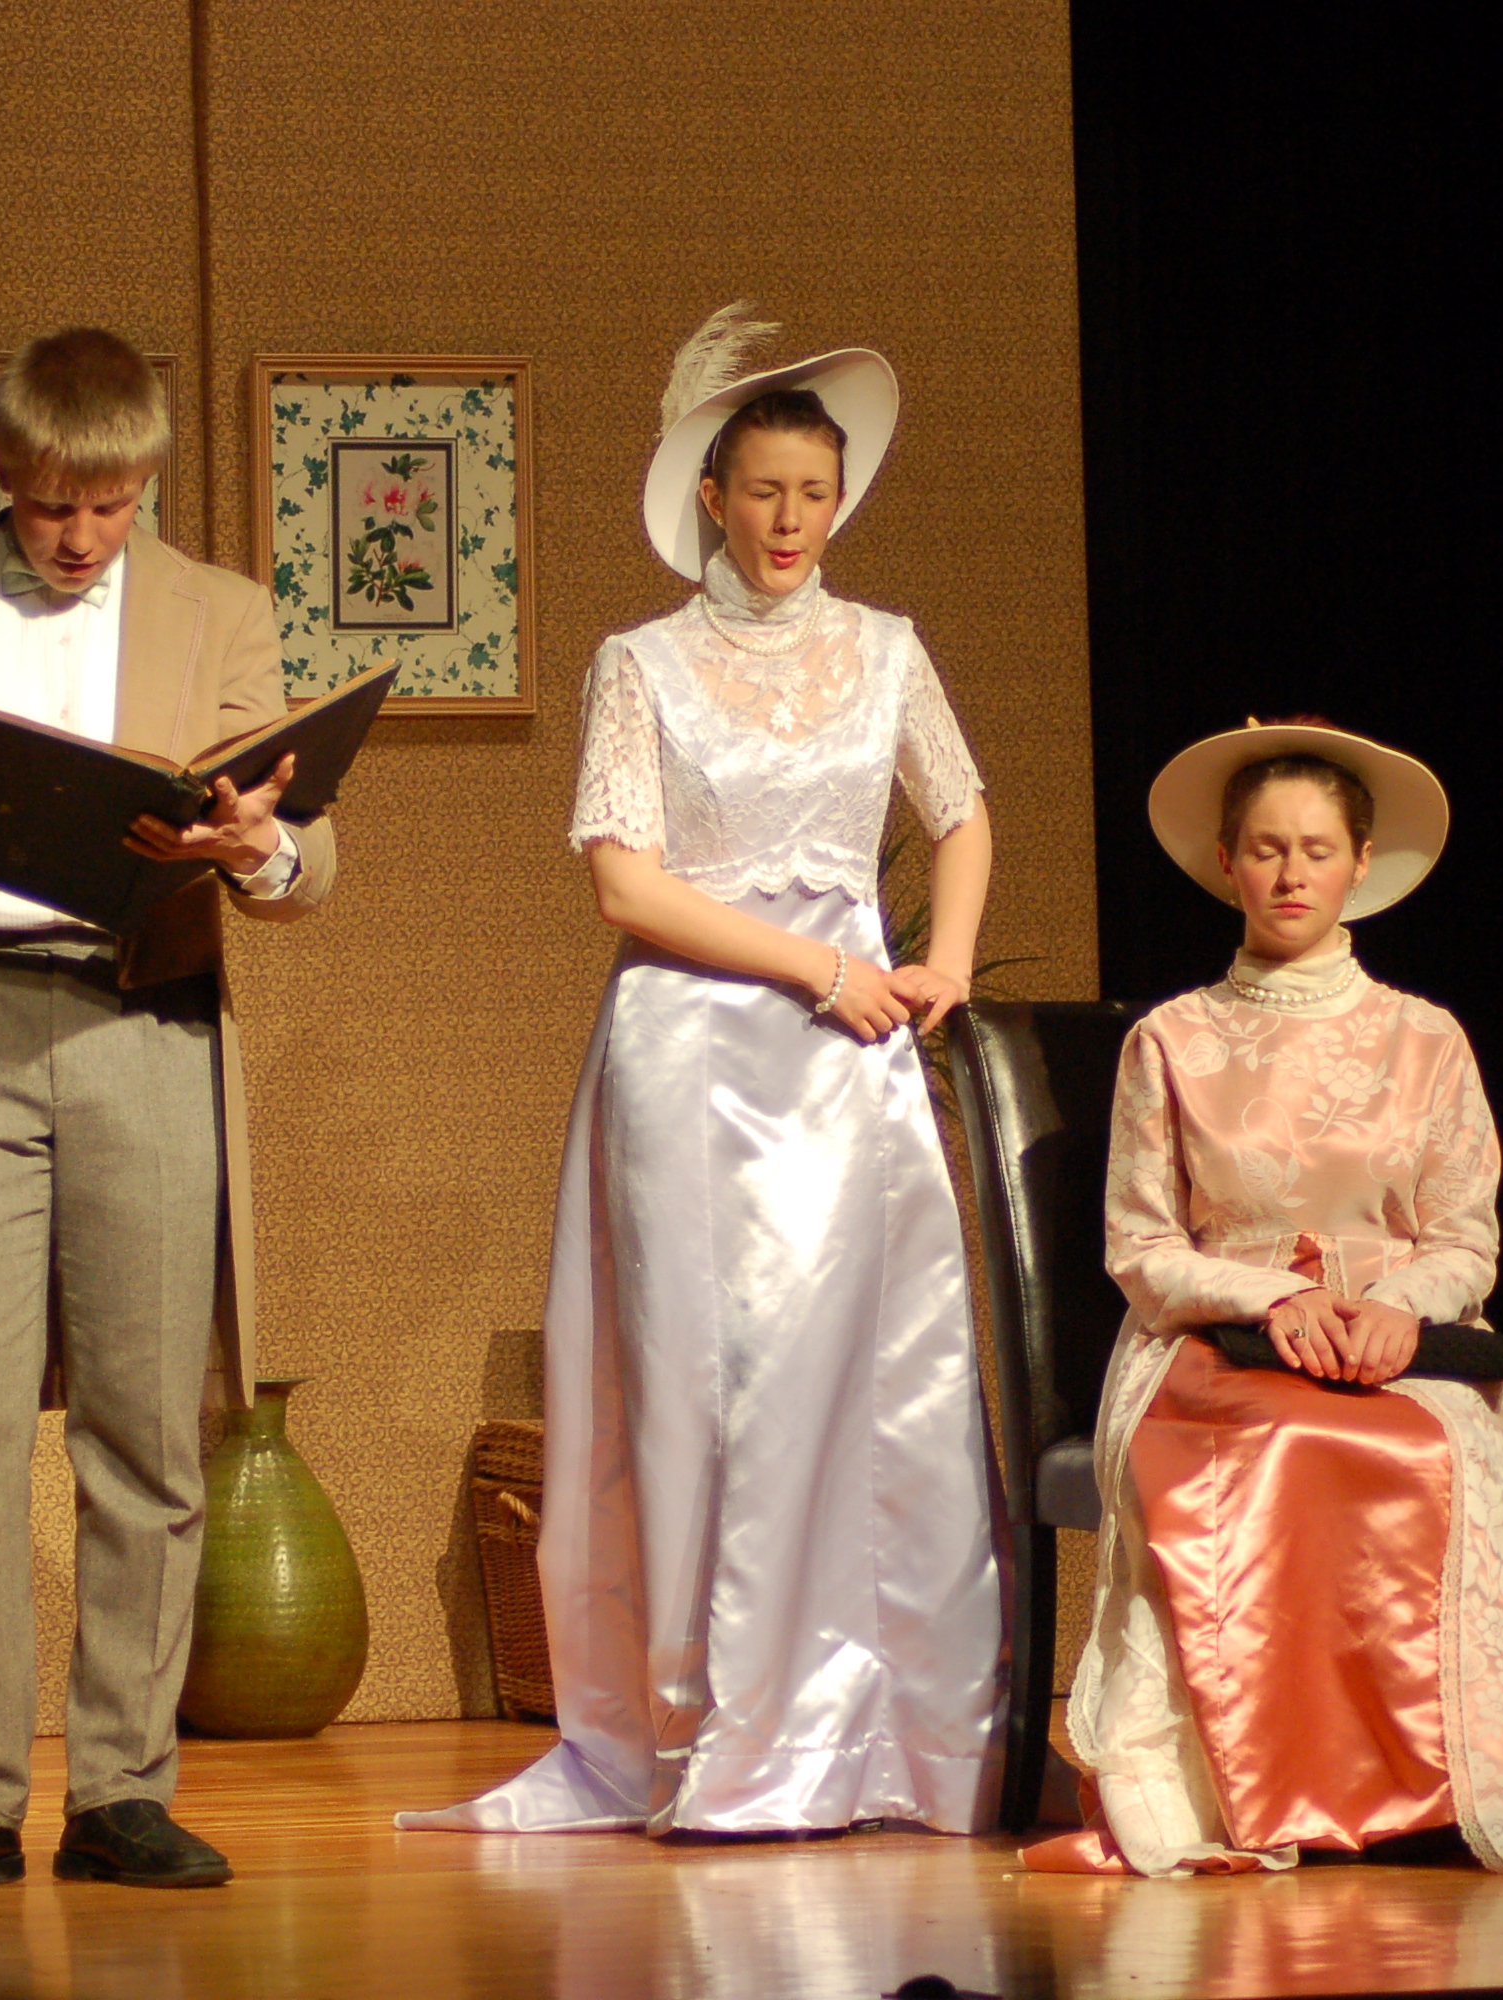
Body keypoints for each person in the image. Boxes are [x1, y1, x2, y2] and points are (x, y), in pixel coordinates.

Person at [403, 305, 1004, 1838]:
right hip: (695, 1047)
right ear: (713, 498)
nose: (792, 521)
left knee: (863, 1381)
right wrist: (819, 965)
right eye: (766, 492)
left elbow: (962, 813)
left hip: (852, 1057)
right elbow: (627, 884)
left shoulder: (887, 650)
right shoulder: (643, 663)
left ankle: (874, 1734)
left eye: (817, 494)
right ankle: (697, 1730)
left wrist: (942, 960)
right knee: (693, 1380)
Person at [0, 326, 336, 1894]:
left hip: (142, 1012)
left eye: (110, 505)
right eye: (48, 508)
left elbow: (307, 858)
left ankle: (122, 1791)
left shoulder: (223, 612)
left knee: (144, 1423)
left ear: (145, 480)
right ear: (2, 475)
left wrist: (257, 850)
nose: (80, 536)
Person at [1024, 720, 1503, 1877]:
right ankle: (1299, 1783)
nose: (1289, 873)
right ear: (1225, 860)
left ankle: (1454, 1780)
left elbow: (1464, 1236)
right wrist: (1273, 1296)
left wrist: (1399, 1308)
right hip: (1210, 1340)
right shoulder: (1171, 1038)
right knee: (1298, 1440)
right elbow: (1140, 1243)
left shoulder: (1423, 1038)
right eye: (1265, 848)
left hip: (1397, 1340)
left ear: (1358, 862)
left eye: (1314, 849)